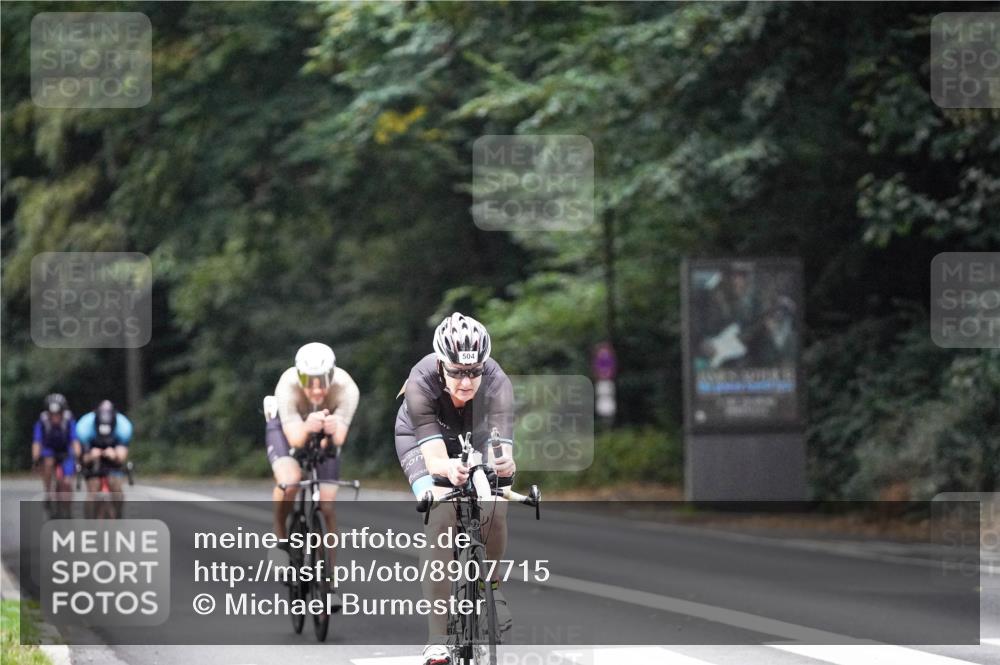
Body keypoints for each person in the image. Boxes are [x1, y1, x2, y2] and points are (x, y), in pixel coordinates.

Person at [394, 312, 516, 665]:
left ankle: (491, 586)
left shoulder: (497, 383)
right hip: (422, 440)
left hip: (474, 434)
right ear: (440, 364)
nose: (467, 381)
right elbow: (435, 461)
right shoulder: (421, 382)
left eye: (474, 371)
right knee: (441, 514)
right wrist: (451, 470)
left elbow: (502, 453)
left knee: (496, 504)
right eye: (457, 372)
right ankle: (437, 638)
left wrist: (503, 465)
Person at [265, 342, 359, 607]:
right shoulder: (287, 385)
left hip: (324, 431)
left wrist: (329, 431)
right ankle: (280, 538)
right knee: (291, 480)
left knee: (326, 506)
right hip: (287, 427)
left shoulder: (346, 388)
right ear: (299, 376)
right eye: (309, 382)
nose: (317, 389)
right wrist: (308, 426)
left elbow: (338, 439)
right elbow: (295, 440)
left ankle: (329, 581)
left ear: (332, 376)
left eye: (323, 382)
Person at [76, 400, 133, 518]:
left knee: (116, 488)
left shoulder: (123, 427)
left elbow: (121, 458)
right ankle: (89, 523)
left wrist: (115, 455)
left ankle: (118, 517)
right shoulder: (84, 427)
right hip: (92, 456)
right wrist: (90, 455)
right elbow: (82, 458)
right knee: (93, 489)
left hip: (113, 456)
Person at [31, 393, 79, 512]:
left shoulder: (69, 420)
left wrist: (78, 457)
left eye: (58, 414)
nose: (55, 417)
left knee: (67, 482)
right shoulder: (42, 422)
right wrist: (35, 459)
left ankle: (67, 508)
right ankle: (48, 491)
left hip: (65, 450)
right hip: (49, 450)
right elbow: (37, 442)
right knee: (48, 462)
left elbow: (75, 440)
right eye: (52, 414)